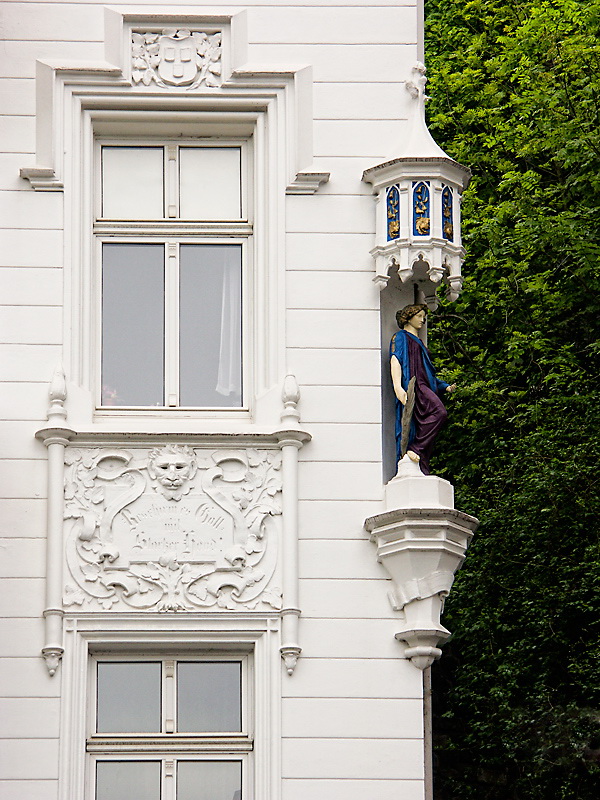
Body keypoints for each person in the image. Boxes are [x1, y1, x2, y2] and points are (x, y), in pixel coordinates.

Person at [390, 304, 456, 475]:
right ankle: (415, 448)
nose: (422, 319)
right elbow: (395, 359)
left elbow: (428, 372)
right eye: (419, 316)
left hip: (425, 385)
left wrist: (445, 386)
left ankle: (418, 453)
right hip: (415, 386)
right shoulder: (401, 337)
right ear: (408, 317)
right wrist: (397, 386)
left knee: (435, 416)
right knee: (439, 412)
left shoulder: (419, 342)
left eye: (423, 316)